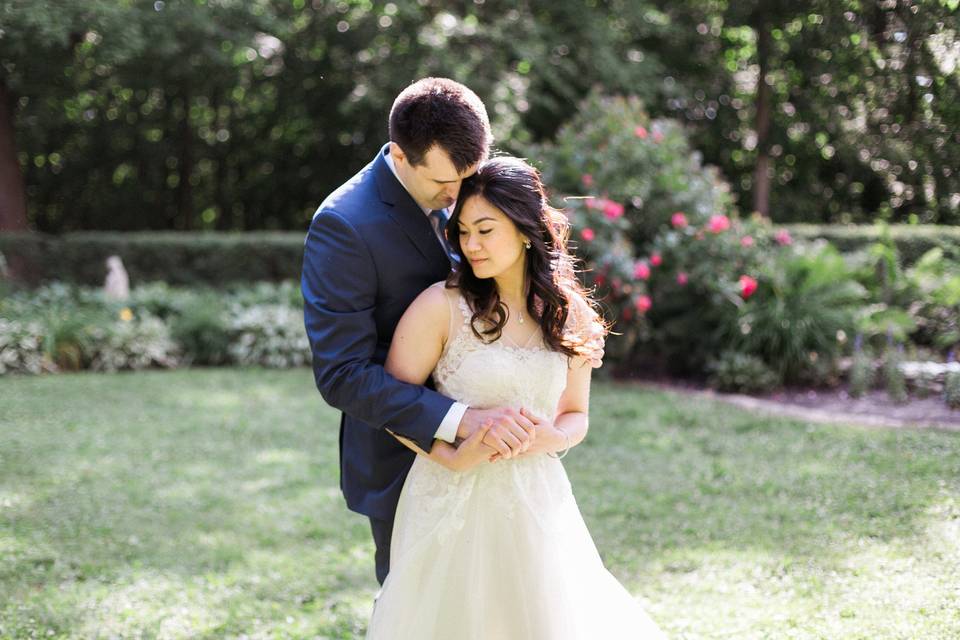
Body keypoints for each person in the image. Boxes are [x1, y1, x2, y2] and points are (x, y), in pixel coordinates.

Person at [365, 156, 667, 639]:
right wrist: (454, 456)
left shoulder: (569, 315)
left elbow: (576, 416)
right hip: (449, 497)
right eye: (463, 232)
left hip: (536, 499)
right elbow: (390, 402)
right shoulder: (440, 306)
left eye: (485, 229)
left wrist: (546, 437)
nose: (471, 245)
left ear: (525, 229)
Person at [301, 78, 538, 587]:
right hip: (402, 460)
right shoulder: (344, 225)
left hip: (500, 464)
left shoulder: (468, 188)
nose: (458, 198)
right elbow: (341, 374)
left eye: (467, 178)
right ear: (400, 156)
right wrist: (461, 420)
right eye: (442, 186)